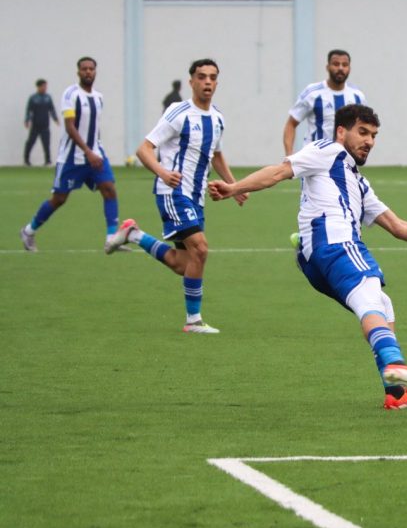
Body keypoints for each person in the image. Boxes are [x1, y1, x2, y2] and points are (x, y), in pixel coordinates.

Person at [209, 104, 407, 410]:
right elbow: (279, 172)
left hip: (315, 259)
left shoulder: (359, 183)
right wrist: (234, 187)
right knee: (371, 296)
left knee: (381, 305)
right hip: (335, 244)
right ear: (341, 131)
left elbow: (397, 225)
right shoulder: (327, 150)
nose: (369, 141)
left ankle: (396, 394)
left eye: (374, 135)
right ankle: (395, 363)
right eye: (362, 132)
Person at [105, 58, 246, 334]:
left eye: (212, 77)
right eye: (202, 76)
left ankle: (133, 234)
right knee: (201, 249)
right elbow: (144, 149)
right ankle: (193, 320)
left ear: (217, 83)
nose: (207, 81)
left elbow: (216, 155)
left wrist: (235, 187)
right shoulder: (178, 112)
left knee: (183, 264)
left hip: (196, 197)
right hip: (173, 191)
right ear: (191, 81)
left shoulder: (217, 118)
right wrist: (163, 172)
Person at [19, 57, 122, 252]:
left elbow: (93, 128)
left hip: (95, 154)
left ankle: (111, 239)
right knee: (59, 199)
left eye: (91, 69)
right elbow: (70, 127)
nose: (88, 72)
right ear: (78, 72)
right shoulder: (71, 94)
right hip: (72, 158)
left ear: (96, 72)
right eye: (84, 69)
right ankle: (28, 231)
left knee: (109, 189)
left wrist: (95, 150)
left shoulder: (99, 97)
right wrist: (87, 151)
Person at [283, 49, 366, 155]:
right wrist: (289, 154)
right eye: (336, 64)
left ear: (349, 68)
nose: (340, 68)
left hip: (344, 159)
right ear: (328, 67)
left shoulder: (357, 96)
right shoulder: (312, 93)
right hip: (314, 157)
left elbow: (362, 128)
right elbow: (291, 124)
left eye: (345, 65)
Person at [24, 79, 58, 166]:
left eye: (46, 86)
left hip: (45, 125)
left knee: (46, 143)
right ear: (39, 87)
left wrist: (55, 119)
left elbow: (52, 109)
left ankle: (48, 160)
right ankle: (26, 160)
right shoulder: (33, 98)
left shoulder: (48, 98)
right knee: (30, 142)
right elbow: (29, 110)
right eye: (43, 86)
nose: (45, 88)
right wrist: (27, 120)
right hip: (35, 125)